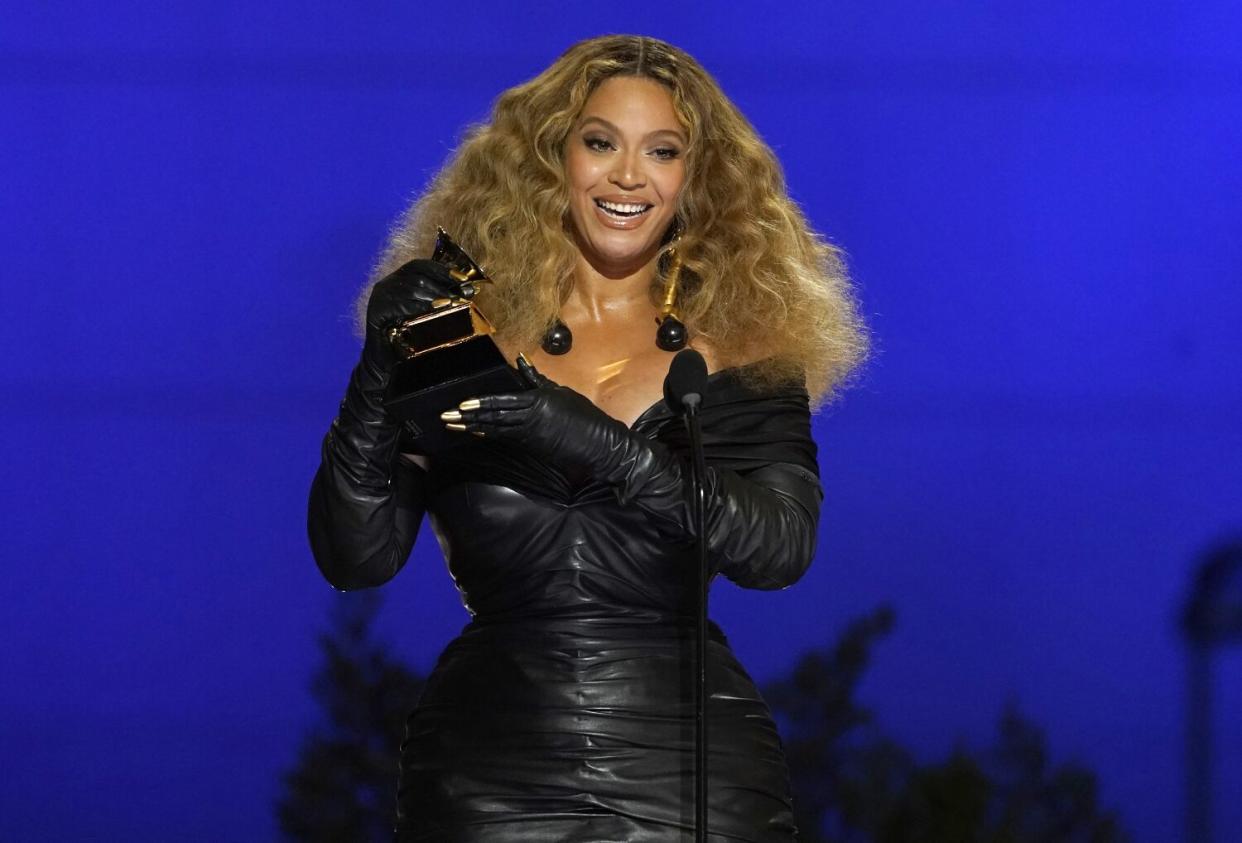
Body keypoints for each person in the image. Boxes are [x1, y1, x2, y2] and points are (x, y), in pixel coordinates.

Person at [308, 34, 866, 841]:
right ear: (550, 161)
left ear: (694, 179)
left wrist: (589, 439)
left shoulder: (744, 351)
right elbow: (354, 557)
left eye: (663, 150)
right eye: (600, 142)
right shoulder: (466, 342)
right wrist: (376, 366)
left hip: (689, 770)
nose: (629, 175)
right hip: (486, 772)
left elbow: (779, 549)